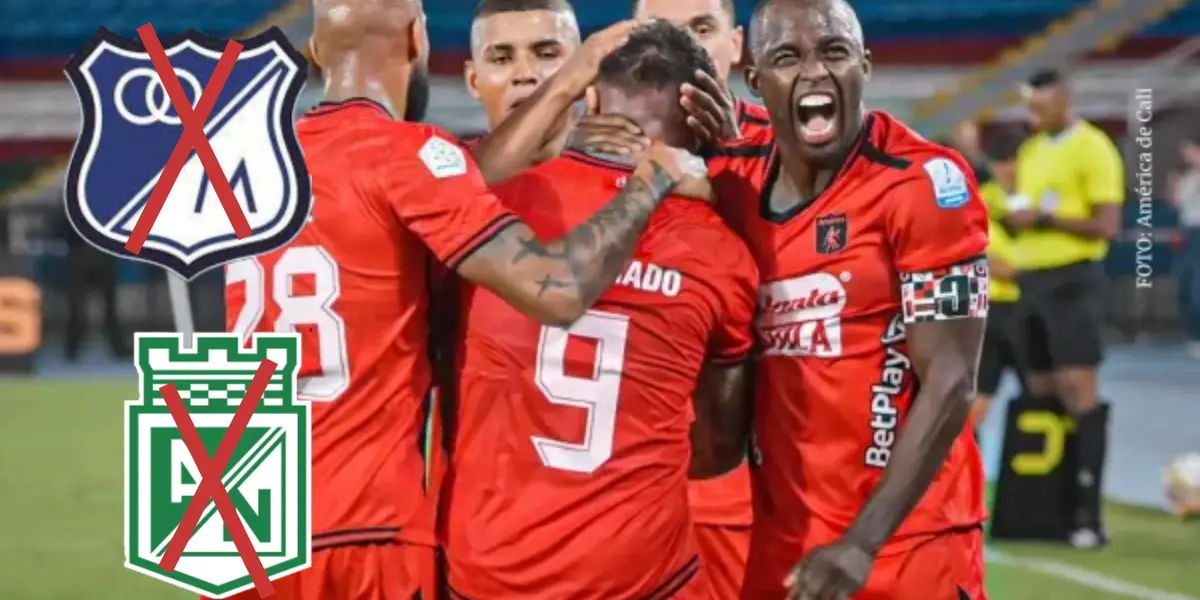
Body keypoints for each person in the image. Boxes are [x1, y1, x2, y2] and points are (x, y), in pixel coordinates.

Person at [219, 0, 710, 598]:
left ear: (317, 52)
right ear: (421, 39)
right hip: (362, 522)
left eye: (546, 55)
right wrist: (654, 177)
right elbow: (554, 290)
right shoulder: (410, 154)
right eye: (504, 57)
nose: (527, 74)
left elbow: (449, 177)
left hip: (236, 517)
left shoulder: (255, 160)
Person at [441, 20, 756, 600]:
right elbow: (719, 449)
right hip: (637, 571)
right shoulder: (725, 250)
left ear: (589, 94)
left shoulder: (489, 205)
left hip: (484, 564)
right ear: (701, 115)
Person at [704, 0, 991, 598]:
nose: (814, 71)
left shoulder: (926, 184)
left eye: (833, 51)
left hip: (907, 541)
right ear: (756, 80)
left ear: (865, 65)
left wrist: (864, 540)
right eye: (788, 56)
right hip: (782, 540)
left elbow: (951, 378)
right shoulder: (729, 178)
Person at [630, 0, 765, 597]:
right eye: (663, 33)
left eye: (703, 30)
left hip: (741, 491)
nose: (683, 50)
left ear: (738, 45)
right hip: (608, 498)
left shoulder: (793, 155)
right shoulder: (586, 159)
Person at [1008, 67, 1123, 549]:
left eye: (1042, 103)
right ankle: (1046, 510)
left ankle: (1087, 515)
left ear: (1064, 98)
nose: (1035, 112)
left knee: (1080, 389)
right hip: (1029, 282)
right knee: (1041, 387)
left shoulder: (1093, 146)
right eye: (1030, 104)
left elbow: (1107, 225)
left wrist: (1045, 218)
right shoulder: (1032, 150)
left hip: (1072, 280)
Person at [972, 129, 1027, 430]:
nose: (1008, 168)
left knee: (1041, 395)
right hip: (992, 311)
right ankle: (964, 474)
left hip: (1032, 307)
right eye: (1000, 162)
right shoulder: (979, 201)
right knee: (976, 402)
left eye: (1013, 160)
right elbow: (992, 262)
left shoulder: (1039, 197)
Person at [1171, 134, 1200, 357]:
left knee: (1196, 286)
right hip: (1188, 229)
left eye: (1190, 150)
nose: (1187, 155)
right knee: (1186, 282)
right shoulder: (1186, 177)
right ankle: (1192, 334)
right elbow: (1177, 204)